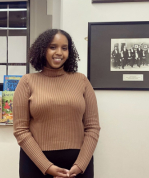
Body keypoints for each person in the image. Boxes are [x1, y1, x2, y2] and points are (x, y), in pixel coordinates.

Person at [13, 29, 100, 178]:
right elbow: (21, 130)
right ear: (42, 50)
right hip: (37, 164)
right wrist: (47, 167)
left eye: (64, 48)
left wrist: (80, 165)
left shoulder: (82, 81)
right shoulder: (27, 82)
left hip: (77, 165)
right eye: (53, 47)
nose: (59, 52)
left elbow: (92, 127)